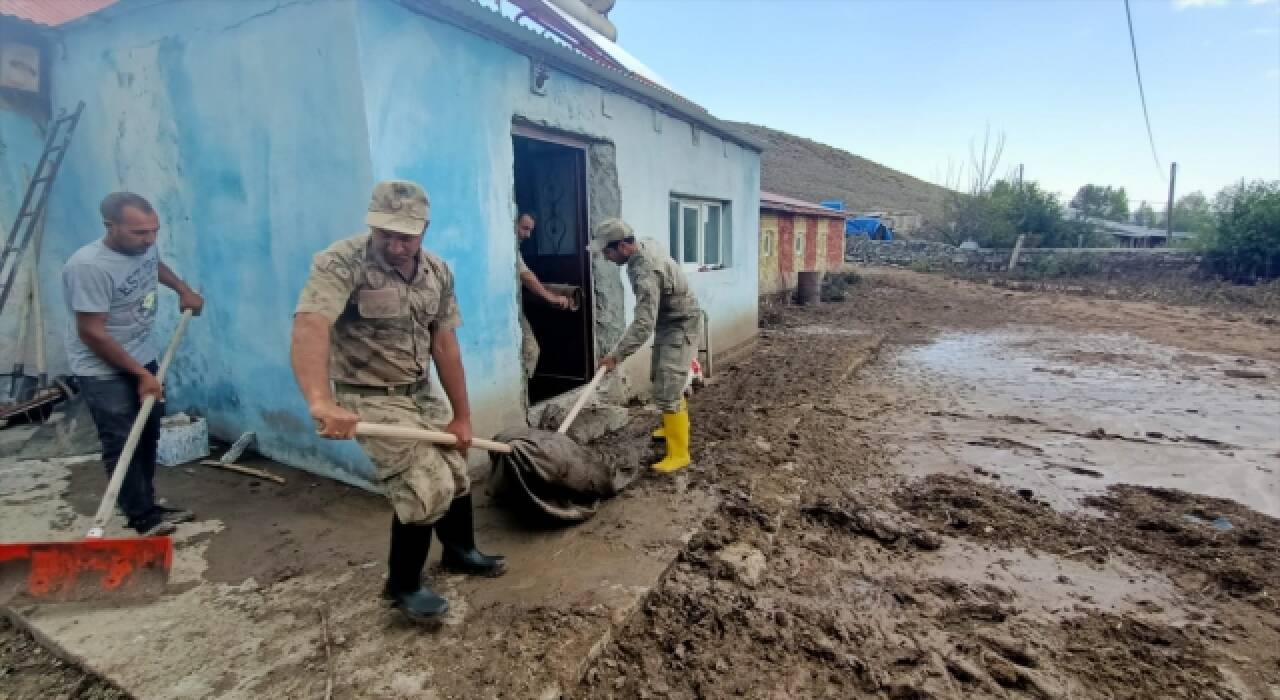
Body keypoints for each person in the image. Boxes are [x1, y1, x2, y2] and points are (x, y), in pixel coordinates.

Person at [290, 180, 505, 625]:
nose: (395, 243)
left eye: (406, 234)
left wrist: (462, 416)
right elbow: (312, 325)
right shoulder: (341, 262)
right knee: (425, 484)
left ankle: (460, 553)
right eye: (385, 232)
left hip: (418, 390)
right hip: (365, 397)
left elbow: (444, 345)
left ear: (424, 228)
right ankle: (402, 584)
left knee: (457, 469)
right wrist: (321, 401)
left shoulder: (438, 272)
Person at [61, 192, 204, 536]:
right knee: (123, 440)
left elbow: (152, 265)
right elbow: (92, 333)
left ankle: (147, 505)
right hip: (102, 369)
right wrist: (141, 375)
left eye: (154, 230)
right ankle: (142, 519)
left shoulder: (142, 247)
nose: (150, 239)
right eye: (140, 233)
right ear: (111, 227)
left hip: (141, 355)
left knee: (148, 432)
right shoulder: (89, 267)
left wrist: (182, 289)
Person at [591, 218, 701, 473]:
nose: (606, 258)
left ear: (624, 247)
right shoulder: (641, 248)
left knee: (669, 381)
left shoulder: (646, 272)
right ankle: (672, 424)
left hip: (681, 323)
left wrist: (615, 357)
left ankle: (679, 454)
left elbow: (643, 325)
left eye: (607, 251)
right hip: (668, 320)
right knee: (660, 377)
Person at [514, 212, 572, 380]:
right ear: (512, 221)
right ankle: (519, 399)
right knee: (530, 350)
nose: (527, 235)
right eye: (524, 228)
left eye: (530, 230)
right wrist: (551, 297)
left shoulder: (513, 246)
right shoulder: (505, 244)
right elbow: (525, 275)